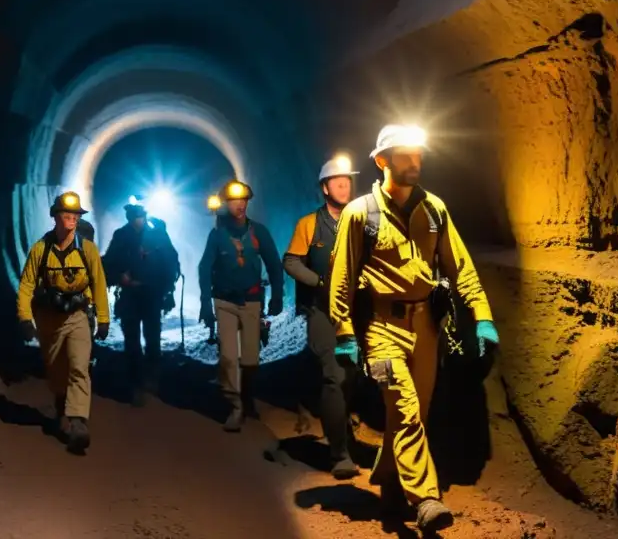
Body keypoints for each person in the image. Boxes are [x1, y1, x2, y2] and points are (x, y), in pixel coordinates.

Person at [328, 125, 500, 532]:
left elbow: (460, 266)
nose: (415, 162)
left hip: (426, 326)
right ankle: (425, 497)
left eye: (418, 154)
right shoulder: (360, 214)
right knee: (404, 409)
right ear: (382, 160)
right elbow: (342, 279)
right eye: (405, 155)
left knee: (414, 413)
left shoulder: (435, 209)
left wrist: (483, 315)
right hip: (381, 327)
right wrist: (344, 333)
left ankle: (389, 479)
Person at [282, 155, 361, 480]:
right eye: (337, 181)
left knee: (355, 376)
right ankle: (339, 453)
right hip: (322, 313)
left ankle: (345, 424)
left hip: (358, 313)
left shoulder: (363, 221)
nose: (344, 185)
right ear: (325, 188)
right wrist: (318, 281)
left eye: (347, 180)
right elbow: (291, 261)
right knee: (334, 376)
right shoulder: (309, 224)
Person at [17, 191, 110, 454]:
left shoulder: (87, 249)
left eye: (75, 215)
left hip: (77, 316)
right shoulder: (40, 249)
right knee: (57, 370)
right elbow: (26, 286)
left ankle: (79, 422)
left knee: (79, 366)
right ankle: (61, 403)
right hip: (49, 319)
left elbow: (99, 284)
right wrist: (25, 318)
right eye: (66, 215)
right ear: (55, 218)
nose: (71, 219)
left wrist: (103, 319)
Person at [198, 179, 284, 432]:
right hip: (224, 301)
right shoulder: (217, 235)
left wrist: (277, 295)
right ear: (226, 204)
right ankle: (235, 406)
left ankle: (247, 397)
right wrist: (206, 304)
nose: (240, 205)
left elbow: (274, 263)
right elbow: (205, 269)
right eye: (235, 200)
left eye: (244, 200)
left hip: (251, 301)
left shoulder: (259, 232)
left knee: (250, 359)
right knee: (228, 356)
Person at [103, 202, 180, 405]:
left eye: (139, 215)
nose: (137, 219)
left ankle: (152, 378)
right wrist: (120, 277)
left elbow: (171, 260)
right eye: (133, 215)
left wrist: (167, 287)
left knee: (153, 338)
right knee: (132, 341)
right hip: (129, 295)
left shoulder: (157, 235)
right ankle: (136, 383)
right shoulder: (121, 236)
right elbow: (109, 262)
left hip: (152, 293)